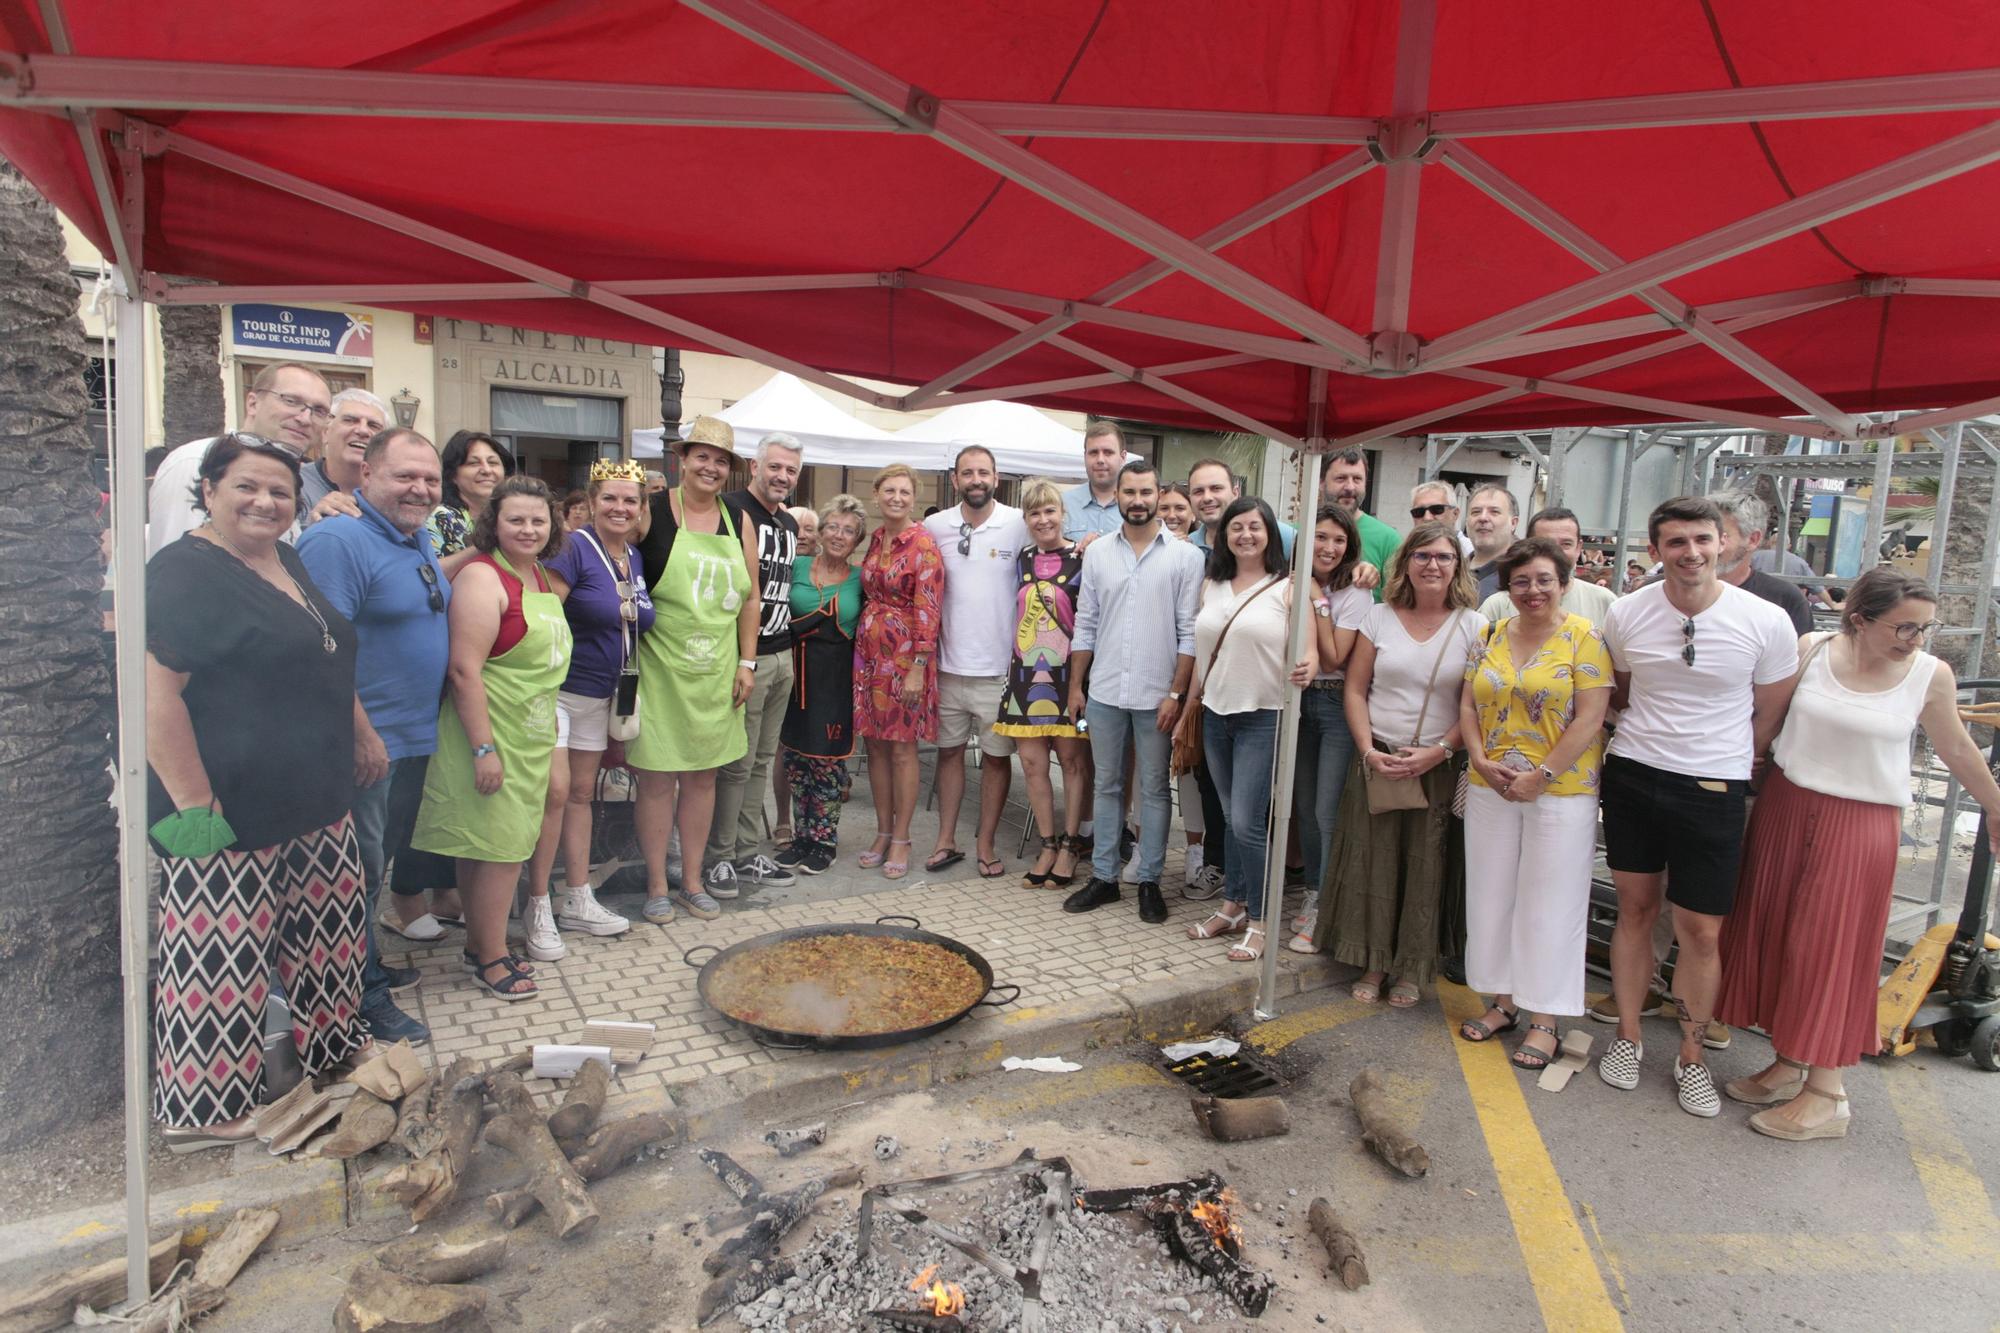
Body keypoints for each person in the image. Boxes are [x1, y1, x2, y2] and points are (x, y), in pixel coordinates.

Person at [1717, 570, 2000, 1138]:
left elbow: (1957, 749)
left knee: (1832, 949)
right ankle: (1791, 1060)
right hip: (1786, 806)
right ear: (1859, 618)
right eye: (1904, 627)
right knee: (1778, 935)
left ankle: (1828, 1094)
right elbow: (1767, 719)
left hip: (1860, 823)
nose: (1915, 639)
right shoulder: (1813, 648)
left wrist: (1996, 806)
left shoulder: (1929, 675)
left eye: (1925, 627)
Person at [146, 434, 366, 1149]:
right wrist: (194, 807)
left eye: (279, 491)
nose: (265, 502)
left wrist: (363, 732)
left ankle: (332, 1054)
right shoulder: (183, 572)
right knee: (221, 957)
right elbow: (154, 698)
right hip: (226, 807)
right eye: (247, 486)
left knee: (330, 934)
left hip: (316, 793)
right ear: (208, 489)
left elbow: (325, 649)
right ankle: (204, 1111)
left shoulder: (285, 555)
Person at [1596, 496, 1797, 1117]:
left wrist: (1728, 759)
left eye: (1702, 540)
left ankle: (1691, 1056)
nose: (1691, 553)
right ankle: (1627, 1038)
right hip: (1632, 776)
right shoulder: (1626, 613)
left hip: (1713, 788)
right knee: (1634, 909)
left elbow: (1770, 710)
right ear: (1655, 551)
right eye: (1676, 542)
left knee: (1702, 932)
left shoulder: (1765, 620)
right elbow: (1621, 691)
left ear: (1724, 544)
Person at [295, 427, 449, 1045]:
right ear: (365, 477)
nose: (420, 488)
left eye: (429, 479)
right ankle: (360, 998)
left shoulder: (418, 538)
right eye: (404, 476)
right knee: (354, 872)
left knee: (374, 869)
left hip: (409, 739)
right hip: (365, 744)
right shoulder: (337, 539)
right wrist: (362, 737)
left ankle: (362, 967)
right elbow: (319, 651)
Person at [411, 477, 573, 1001]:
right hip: (490, 736)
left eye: (537, 520)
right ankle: (492, 955)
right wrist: (483, 749)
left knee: (489, 847)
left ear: (552, 526)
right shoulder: (484, 579)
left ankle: (480, 944)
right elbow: (463, 669)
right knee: (500, 851)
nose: (528, 529)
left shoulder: (543, 580)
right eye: (515, 520)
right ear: (493, 525)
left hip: (529, 736)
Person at [1455, 537, 1615, 1069]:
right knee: (1492, 896)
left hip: (1561, 791)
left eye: (1544, 579)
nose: (1532, 590)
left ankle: (1545, 1019)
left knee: (1551, 905)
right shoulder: (1490, 633)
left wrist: (1542, 775)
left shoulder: (1584, 638)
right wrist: (1477, 758)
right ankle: (1503, 1004)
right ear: (1508, 587)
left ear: (1563, 583)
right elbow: (1468, 701)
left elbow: (1591, 717)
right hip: (1491, 785)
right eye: (1521, 581)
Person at [1315, 523, 1483, 1006]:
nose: (1433, 565)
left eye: (1444, 557)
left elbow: (1472, 708)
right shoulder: (1380, 618)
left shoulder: (1473, 626)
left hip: (1438, 764)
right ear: (1406, 561)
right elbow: (1354, 688)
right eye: (1423, 555)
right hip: (1377, 758)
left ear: (1458, 566)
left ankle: (1411, 969)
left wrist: (1440, 751)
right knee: (1373, 864)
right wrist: (1369, 750)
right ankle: (1372, 963)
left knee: (1425, 869)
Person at [628, 416, 761, 922]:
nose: (710, 466)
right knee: (658, 781)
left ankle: (693, 880)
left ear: (729, 470)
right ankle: (657, 884)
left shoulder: (736, 520)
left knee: (704, 779)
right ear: (682, 460)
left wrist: (747, 661)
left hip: (717, 674)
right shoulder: (653, 511)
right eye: (701, 456)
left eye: (720, 459)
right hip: (661, 671)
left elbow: (749, 601)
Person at [521, 460, 654, 959]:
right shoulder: (575, 547)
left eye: (631, 501)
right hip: (560, 691)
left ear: (642, 509)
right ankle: (538, 905)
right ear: (592, 503)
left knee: (580, 794)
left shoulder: (633, 558)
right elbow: (545, 614)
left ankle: (578, 897)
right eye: (610, 499)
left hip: (604, 694)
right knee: (555, 796)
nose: (620, 508)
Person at [1064, 460, 1204, 922]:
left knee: (1154, 791)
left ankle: (1149, 881)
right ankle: (1103, 878)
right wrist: (1076, 687)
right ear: (1118, 496)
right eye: (1130, 493)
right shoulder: (1099, 552)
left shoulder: (1186, 557)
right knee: (1106, 785)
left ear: (1156, 495)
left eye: (1146, 492)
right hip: (1103, 690)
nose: (1138, 501)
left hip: (1156, 695)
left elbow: (1189, 633)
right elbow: (1085, 622)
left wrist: (1176, 694)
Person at [1182, 497, 1315, 959]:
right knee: (1229, 817)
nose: (1245, 535)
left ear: (1271, 534)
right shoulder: (1212, 585)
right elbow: (1202, 653)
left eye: (1255, 527)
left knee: (1247, 822)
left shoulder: (1290, 588)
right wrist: (1190, 708)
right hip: (1216, 713)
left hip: (1263, 713)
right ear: (1224, 536)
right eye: (1236, 527)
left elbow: (1311, 652)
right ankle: (1233, 905)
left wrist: (1308, 667)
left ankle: (1260, 921)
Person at [706, 434, 804, 897]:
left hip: (782, 653)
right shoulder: (728, 510)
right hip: (744, 658)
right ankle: (720, 856)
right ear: (754, 465)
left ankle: (746, 852)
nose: (783, 476)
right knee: (735, 763)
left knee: (762, 759)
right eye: (776, 467)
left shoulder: (786, 522)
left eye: (792, 470)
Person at [922, 445, 1026, 877]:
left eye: (983, 472)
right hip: (946, 668)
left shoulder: (1019, 524)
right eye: (968, 473)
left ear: (996, 478)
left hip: (998, 672)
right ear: (955, 480)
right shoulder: (933, 526)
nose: (976, 479)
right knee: (948, 755)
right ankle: (946, 840)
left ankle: (985, 842)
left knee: (997, 760)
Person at [994, 479, 1089, 888]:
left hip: (1070, 679)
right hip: (1023, 676)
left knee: (1072, 762)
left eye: (1049, 510)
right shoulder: (1021, 559)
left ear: (1061, 514)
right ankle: (1047, 843)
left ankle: (1070, 846)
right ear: (1027, 520)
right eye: (1034, 512)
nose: (1043, 518)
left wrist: (1080, 684)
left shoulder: (1085, 555)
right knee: (1032, 764)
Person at [854, 463, 945, 879]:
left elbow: (929, 606)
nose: (896, 498)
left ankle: (903, 836)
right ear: (877, 495)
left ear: (913, 497)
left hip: (907, 658)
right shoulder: (876, 538)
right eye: (889, 490)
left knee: (904, 750)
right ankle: (882, 830)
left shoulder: (923, 543)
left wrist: (918, 667)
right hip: (870, 657)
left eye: (904, 492)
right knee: (874, 745)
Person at [1288, 504, 1370, 953]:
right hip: (1298, 701)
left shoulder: (1354, 591)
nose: (1330, 547)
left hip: (1336, 703)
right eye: (1321, 537)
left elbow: (1337, 656)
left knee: (1325, 811)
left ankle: (1326, 904)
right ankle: (1313, 892)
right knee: (1303, 807)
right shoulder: (1288, 582)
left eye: (1339, 540)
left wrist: (1317, 601)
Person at [146, 362, 332, 555]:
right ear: (252, 404)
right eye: (291, 401)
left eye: (319, 411)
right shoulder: (198, 461)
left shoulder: (288, 475)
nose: (305, 418)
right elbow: (180, 564)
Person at [775, 495, 867, 876]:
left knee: (826, 764)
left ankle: (824, 841)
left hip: (835, 680)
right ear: (820, 530)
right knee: (796, 761)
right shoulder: (794, 565)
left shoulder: (862, 578)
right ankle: (801, 838)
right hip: (795, 677)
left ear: (857, 540)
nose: (839, 535)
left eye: (848, 531)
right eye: (833, 526)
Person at [771, 504, 821, 846]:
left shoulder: (827, 567)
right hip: (781, 660)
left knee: (815, 748)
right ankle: (783, 819)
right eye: (796, 527)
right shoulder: (774, 562)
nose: (802, 534)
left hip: (819, 666)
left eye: (809, 529)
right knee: (782, 746)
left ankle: (816, 823)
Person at [1478, 508, 1617, 628]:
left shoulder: (1604, 601)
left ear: (1578, 548)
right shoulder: (1496, 606)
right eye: (1545, 544)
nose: (1555, 552)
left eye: (1566, 544)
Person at [1712, 490, 1813, 634]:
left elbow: (1801, 654)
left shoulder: (1784, 599)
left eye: (1721, 536)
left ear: (1753, 539)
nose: (1707, 546)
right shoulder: (1672, 589)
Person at [427, 430, 517, 577]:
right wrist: (483, 546)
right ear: (452, 475)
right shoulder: (440, 517)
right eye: (473, 463)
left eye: (493, 462)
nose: (487, 470)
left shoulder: (508, 518)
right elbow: (430, 573)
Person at [300, 389, 391, 525]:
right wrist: (314, 523)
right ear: (325, 433)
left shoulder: (392, 494)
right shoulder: (295, 485)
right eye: (350, 420)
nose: (363, 430)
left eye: (373, 425)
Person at [1320, 447, 1397, 599]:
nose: (1349, 487)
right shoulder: (1299, 533)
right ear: (1321, 483)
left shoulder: (1388, 540)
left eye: (1357, 479)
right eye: (1341, 478)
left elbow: (1399, 602)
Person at [1186, 458, 1296, 558]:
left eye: (1216, 488)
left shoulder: (1281, 535)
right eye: (1198, 491)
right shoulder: (1188, 545)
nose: (1207, 498)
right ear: (1190, 498)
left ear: (1235, 493)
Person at [1061, 421, 1128, 544]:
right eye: (1093, 453)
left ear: (1123, 457)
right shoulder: (1062, 504)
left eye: (1108, 452)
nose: (1100, 460)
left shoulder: (1136, 507)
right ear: (1085, 456)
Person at [1465, 484, 1518, 601]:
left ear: (1513, 523)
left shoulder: (1523, 573)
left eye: (1494, 512)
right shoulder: (1451, 569)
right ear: (1466, 521)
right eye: (1476, 512)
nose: (1483, 518)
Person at [1408, 481, 1475, 558]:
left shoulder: (1472, 553)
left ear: (1455, 514)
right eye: (1419, 512)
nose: (1427, 518)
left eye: (1437, 509)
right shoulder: (1407, 552)